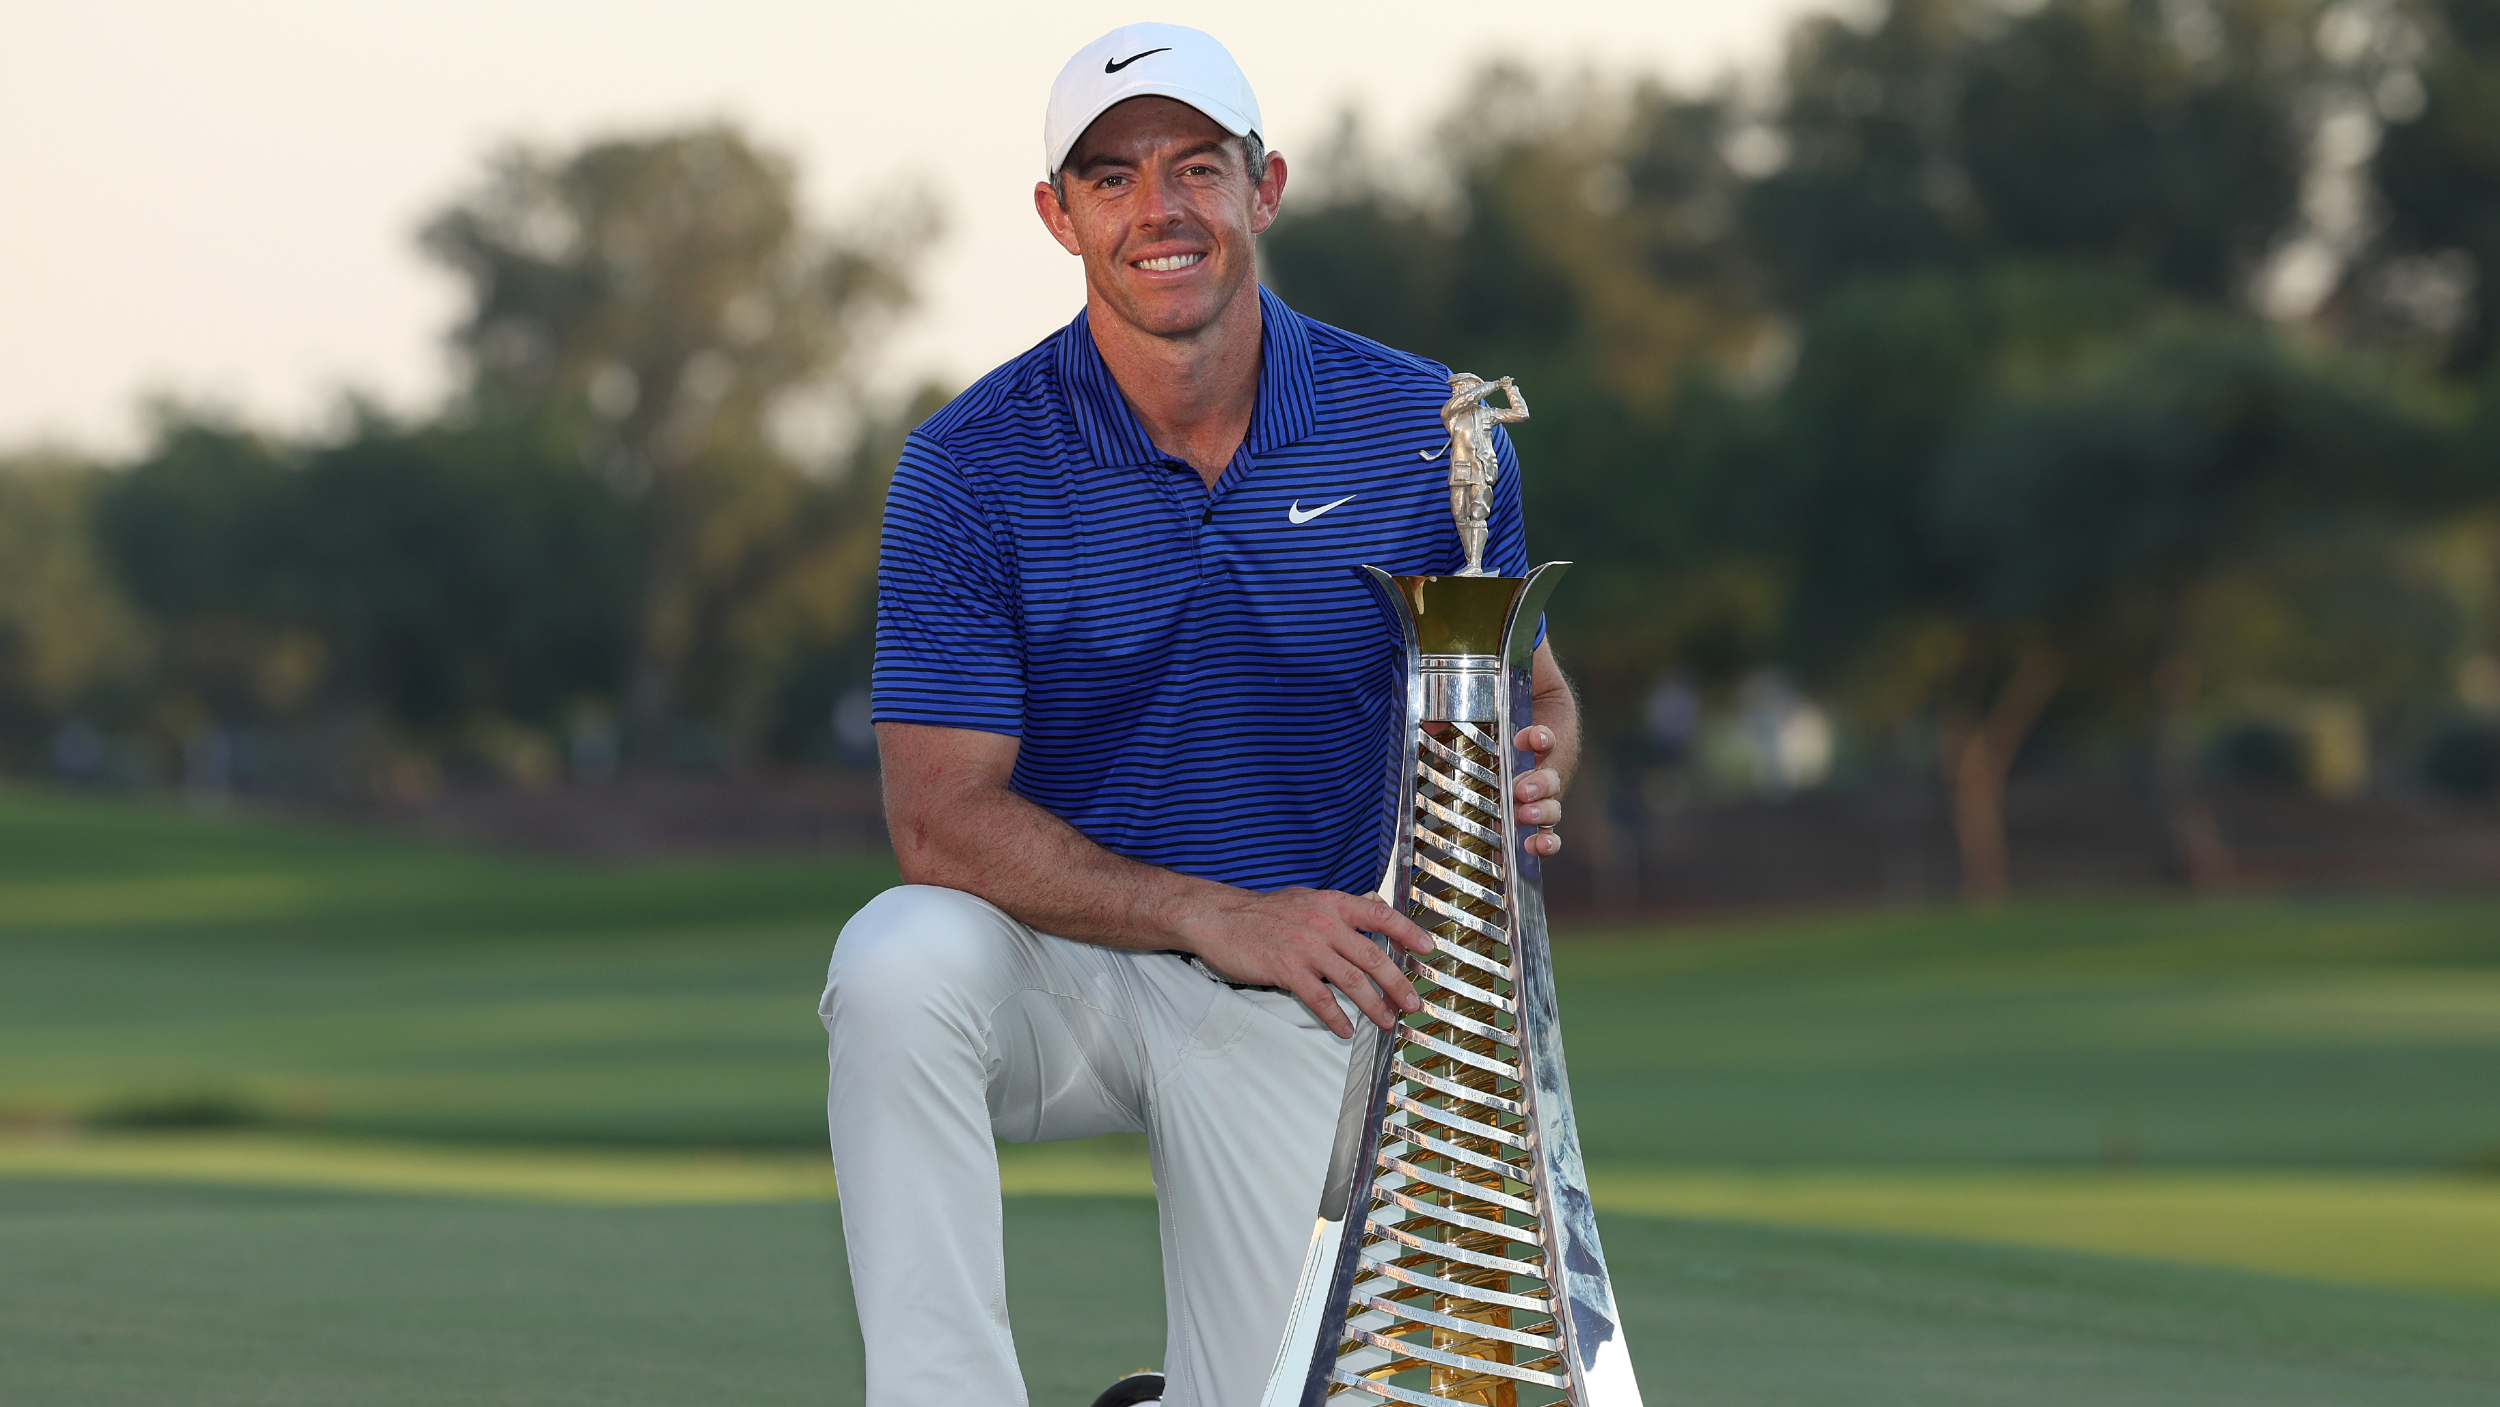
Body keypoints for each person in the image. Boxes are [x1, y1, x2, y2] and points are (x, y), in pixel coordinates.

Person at [818, 22, 1578, 1407]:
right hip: (1062, 963)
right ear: (1058, 215)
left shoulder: (1425, 427)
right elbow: (937, 821)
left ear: (1264, 186)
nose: (1156, 211)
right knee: (897, 960)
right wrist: (1206, 911)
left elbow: (1518, 677)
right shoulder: (967, 466)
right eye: (1109, 178)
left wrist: (1542, 741)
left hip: (1302, 976)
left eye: (1194, 168)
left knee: (1288, 1396)